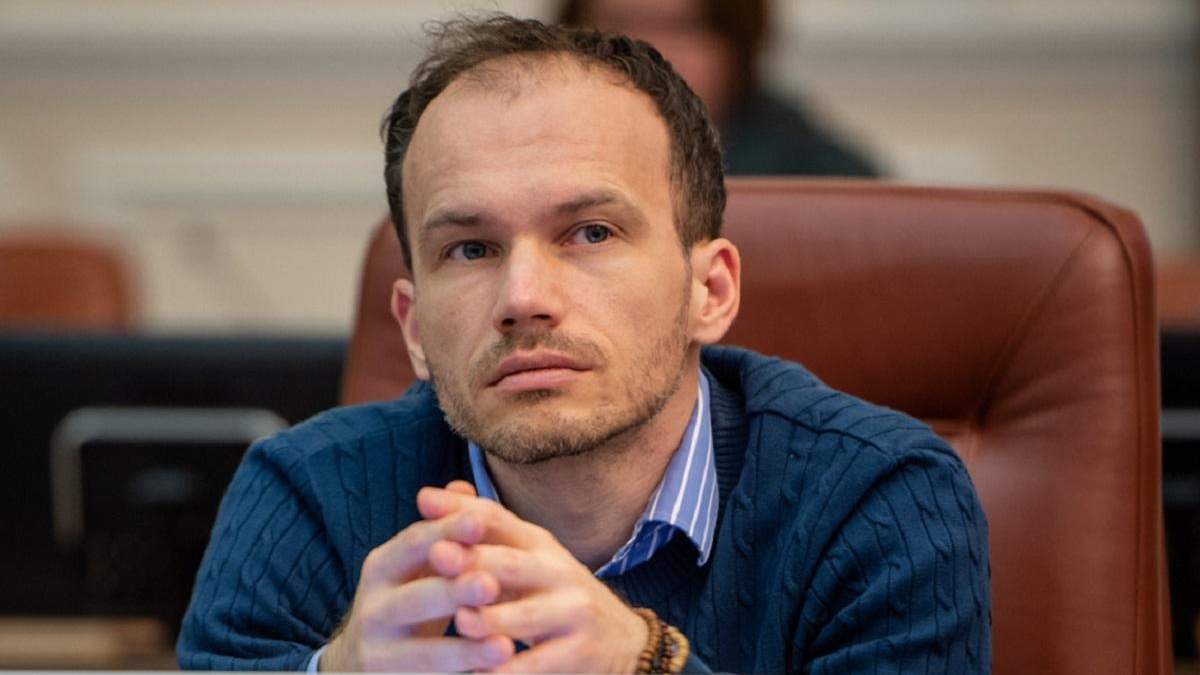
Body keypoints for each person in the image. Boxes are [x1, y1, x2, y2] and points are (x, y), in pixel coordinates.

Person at [177, 15, 989, 673]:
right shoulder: (307, 493)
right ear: (414, 327)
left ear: (710, 291)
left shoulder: (878, 499)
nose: (523, 298)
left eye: (590, 232)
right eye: (471, 248)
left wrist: (647, 662)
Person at [558, 0, 881, 177]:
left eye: (682, 29)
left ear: (737, 44)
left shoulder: (822, 181)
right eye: (618, 25)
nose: (646, 51)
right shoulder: (536, 149)